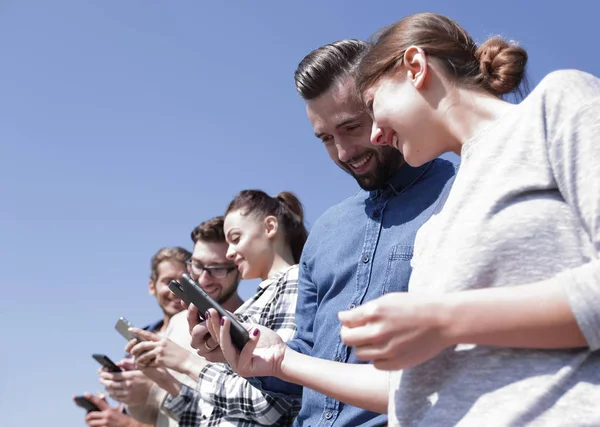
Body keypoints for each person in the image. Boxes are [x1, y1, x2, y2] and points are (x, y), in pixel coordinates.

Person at [336, 12, 600, 426]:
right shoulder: (433, 229)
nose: (374, 136)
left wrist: (444, 319)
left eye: (373, 106)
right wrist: (277, 362)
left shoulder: (556, 105)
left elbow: (448, 325)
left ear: (415, 67)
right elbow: (409, 386)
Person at [192, 40, 457, 426]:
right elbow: (305, 356)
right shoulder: (327, 230)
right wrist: (248, 353)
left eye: (351, 127)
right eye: (326, 139)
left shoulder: (460, 195)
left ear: (381, 102)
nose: (344, 152)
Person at [127, 191, 308, 426]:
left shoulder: (293, 281)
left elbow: (268, 406)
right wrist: (163, 379)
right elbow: (213, 417)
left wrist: (189, 364)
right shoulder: (259, 300)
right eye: (197, 266)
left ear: (270, 227)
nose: (231, 253)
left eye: (235, 238)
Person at [77, 247, 192, 427]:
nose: (176, 289)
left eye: (184, 282)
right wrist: (115, 412)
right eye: (168, 282)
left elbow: (200, 411)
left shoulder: (202, 337)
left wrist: (127, 424)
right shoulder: (140, 339)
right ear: (152, 286)